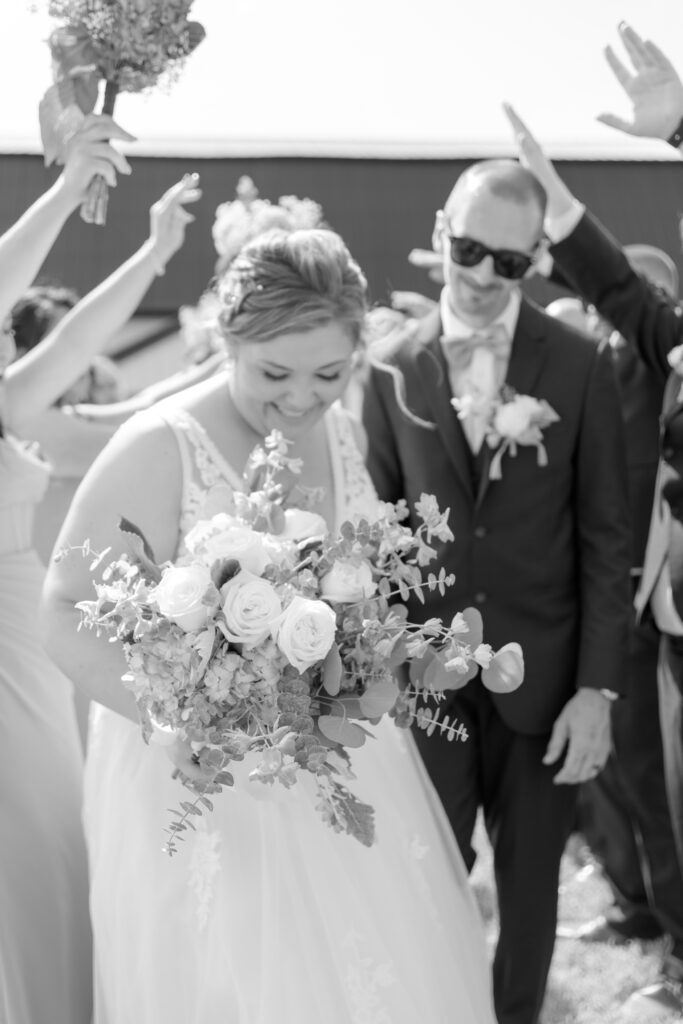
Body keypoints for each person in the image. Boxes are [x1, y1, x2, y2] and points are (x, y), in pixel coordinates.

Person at [40, 227, 497, 1024]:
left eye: (329, 372)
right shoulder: (160, 444)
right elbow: (62, 608)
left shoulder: (346, 434)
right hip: (201, 784)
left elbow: (358, 610)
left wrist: (396, 661)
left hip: (340, 772)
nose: (300, 397)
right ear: (225, 339)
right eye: (273, 373)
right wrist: (180, 718)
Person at [362, 159, 632, 1024]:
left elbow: (605, 539)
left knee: (528, 900)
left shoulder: (582, 364)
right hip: (425, 685)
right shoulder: (386, 366)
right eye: (470, 249)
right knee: (422, 880)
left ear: (534, 265)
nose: (481, 276)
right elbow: (375, 533)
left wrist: (595, 689)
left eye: (508, 263)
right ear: (443, 229)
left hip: (545, 685)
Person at [503, 65, 683, 1017]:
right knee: (663, 795)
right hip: (664, 607)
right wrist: (555, 194)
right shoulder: (668, 339)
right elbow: (614, 288)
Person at [0, 112, 134, 1024]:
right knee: (32, 841)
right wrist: (58, 191)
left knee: (50, 843)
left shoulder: (8, 397)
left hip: (27, 652)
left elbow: (78, 344)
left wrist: (159, 252)